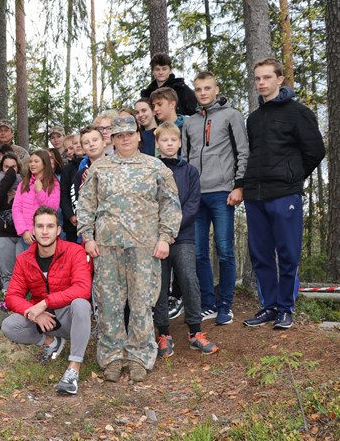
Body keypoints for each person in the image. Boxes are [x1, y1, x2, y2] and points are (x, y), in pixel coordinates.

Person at [77, 116, 182, 383]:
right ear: (112, 139)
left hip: (144, 247)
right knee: (109, 304)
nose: (125, 139)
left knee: (142, 303)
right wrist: (87, 237)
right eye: (119, 135)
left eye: (129, 134)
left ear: (138, 136)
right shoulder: (100, 168)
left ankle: (139, 357)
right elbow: (86, 205)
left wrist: (165, 237)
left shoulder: (155, 168)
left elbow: (170, 205)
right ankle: (112, 357)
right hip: (107, 247)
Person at [242, 58, 325, 329]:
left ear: (280, 79)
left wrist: (292, 177)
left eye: (267, 77)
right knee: (261, 254)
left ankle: (286, 308)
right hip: (255, 195)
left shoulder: (297, 112)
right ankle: (269, 307)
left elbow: (315, 151)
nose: (262, 83)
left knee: (288, 253)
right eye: (258, 78)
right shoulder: (253, 119)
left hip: (284, 194)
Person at [2, 206, 93, 395]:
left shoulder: (74, 252)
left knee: (81, 304)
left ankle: (73, 369)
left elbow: (83, 289)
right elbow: (12, 296)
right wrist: (34, 314)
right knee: (9, 326)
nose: (45, 231)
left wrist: (45, 303)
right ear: (33, 230)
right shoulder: (24, 259)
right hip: (44, 320)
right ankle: (51, 342)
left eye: (50, 226)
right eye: (40, 226)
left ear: (58, 230)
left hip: (69, 316)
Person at [182, 72, 249, 325]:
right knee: (199, 253)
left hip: (223, 192)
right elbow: (186, 160)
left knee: (224, 251)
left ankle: (225, 304)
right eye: (198, 89)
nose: (202, 93)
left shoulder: (231, 116)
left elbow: (243, 152)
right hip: (197, 196)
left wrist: (239, 185)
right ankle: (208, 303)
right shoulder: (189, 123)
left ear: (216, 88)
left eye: (207, 88)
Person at [152, 122, 219, 359]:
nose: (169, 144)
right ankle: (163, 334)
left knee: (190, 280)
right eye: (164, 140)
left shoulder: (190, 171)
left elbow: (192, 205)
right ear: (157, 143)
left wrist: (173, 229)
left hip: (183, 236)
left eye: (173, 140)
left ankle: (195, 332)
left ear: (180, 143)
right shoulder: (152, 169)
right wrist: (161, 232)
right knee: (159, 285)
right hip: (156, 239)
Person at [12, 150, 62, 248]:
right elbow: (16, 209)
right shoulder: (23, 184)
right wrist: (24, 231)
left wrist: (40, 192)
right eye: (30, 161)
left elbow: (53, 208)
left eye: (36, 161)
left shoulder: (54, 183)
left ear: (44, 163)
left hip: (46, 235)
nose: (32, 164)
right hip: (28, 237)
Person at [0, 152, 23, 289]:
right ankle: (7, 303)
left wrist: (17, 196)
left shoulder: (25, 183)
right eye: (6, 167)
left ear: (18, 167)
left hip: (21, 234)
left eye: (13, 167)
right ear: (1, 167)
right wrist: (8, 179)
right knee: (6, 274)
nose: (10, 170)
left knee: (22, 273)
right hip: (1, 233)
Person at [140, 52, 198, 116]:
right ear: (153, 72)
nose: (161, 72)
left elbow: (195, 112)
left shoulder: (181, 89)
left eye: (164, 69)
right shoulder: (148, 94)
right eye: (157, 69)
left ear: (170, 70)